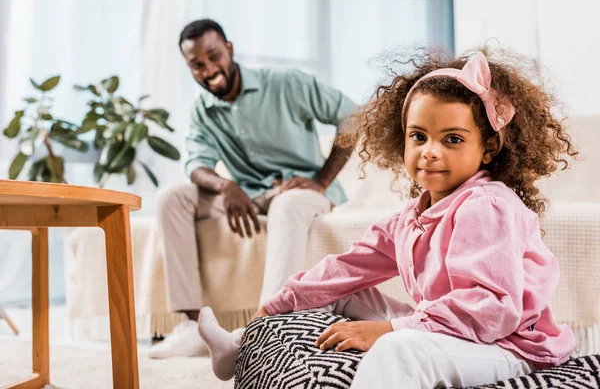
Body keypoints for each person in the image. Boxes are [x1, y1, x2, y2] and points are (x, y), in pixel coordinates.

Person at [197, 49, 578, 387]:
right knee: (340, 292)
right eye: (418, 136)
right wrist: (277, 304)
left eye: (453, 139)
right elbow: (344, 269)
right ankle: (237, 345)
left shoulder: (486, 205)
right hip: (455, 329)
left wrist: (389, 329)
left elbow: (492, 310)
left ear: (489, 147)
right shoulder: (412, 217)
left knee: (399, 350)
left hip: (509, 346)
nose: (430, 152)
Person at [148, 19, 356, 359]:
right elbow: (195, 164)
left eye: (214, 56)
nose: (209, 69)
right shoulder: (203, 110)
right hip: (249, 195)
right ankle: (192, 326)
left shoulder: (286, 83)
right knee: (172, 198)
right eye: (197, 65)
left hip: (301, 190)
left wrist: (321, 180)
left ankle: (267, 330)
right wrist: (225, 185)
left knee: (286, 205)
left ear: (229, 50)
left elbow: (353, 116)